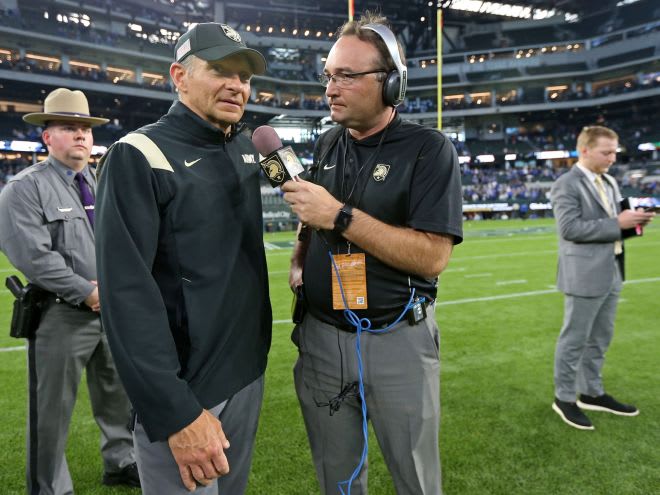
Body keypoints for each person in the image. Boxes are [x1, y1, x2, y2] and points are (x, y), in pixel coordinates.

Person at [282, 13, 463, 495]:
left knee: (416, 479)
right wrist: (300, 254)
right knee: (336, 477)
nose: (331, 87)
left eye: (346, 75)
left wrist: (340, 216)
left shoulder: (429, 150)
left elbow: (431, 258)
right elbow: (310, 212)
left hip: (397, 341)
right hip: (321, 337)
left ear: (392, 84)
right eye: (328, 75)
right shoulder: (326, 141)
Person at [95, 22, 272, 494]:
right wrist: (176, 412)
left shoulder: (244, 145)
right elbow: (126, 297)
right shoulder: (138, 154)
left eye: (244, 76)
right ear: (179, 75)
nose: (236, 85)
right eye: (219, 70)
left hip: (245, 374)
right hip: (188, 392)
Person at [0, 88, 139, 494]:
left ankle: (120, 461)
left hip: (111, 313)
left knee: (118, 396)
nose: (80, 135)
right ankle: (49, 486)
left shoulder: (100, 182)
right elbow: (33, 257)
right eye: (67, 128)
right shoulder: (24, 188)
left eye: (84, 129)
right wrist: (87, 291)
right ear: (47, 137)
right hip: (61, 314)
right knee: (51, 409)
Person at [551, 125, 654, 430]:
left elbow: (616, 223)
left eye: (614, 152)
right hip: (583, 273)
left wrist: (634, 223)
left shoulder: (609, 181)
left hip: (613, 269)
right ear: (585, 150)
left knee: (600, 338)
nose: (612, 157)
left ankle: (592, 392)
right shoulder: (566, 184)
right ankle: (564, 398)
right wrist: (616, 222)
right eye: (606, 152)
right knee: (574, 339)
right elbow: (570, 230)